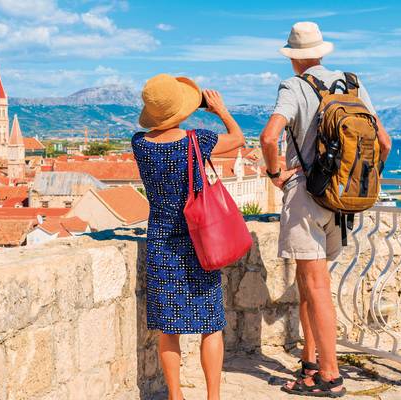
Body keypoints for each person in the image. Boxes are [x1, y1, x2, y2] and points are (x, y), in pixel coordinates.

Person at [259, 22, 392, 398]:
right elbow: (384, 141)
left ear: (293, 58)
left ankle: (330, 376)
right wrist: (362, 179)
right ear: (321, 51)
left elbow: (269, 136)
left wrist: (274, 173)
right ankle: (310, 362)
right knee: (310, 284)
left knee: (315, 287)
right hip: (341, 199)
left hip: (306, 195)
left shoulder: (294, 87)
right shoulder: (352, 84)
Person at [132, 74, 245, 400]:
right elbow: (237, 138)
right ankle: (213, 397)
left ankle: (175, 395)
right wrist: (220, 110)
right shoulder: (198, 140)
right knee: (211, 325)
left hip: (161, 243)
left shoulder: (140, 144)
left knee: (169, 329)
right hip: (200, 242)